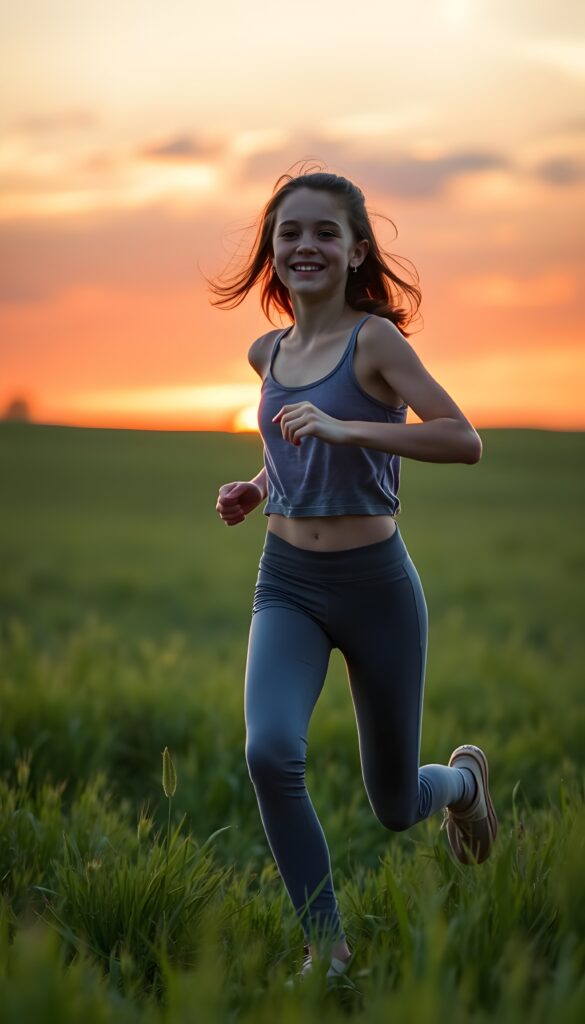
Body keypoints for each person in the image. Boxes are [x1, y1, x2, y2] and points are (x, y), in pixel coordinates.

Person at [210, 165, 498, 983]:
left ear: (355, 250)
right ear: (271, 248)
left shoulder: (374, 340)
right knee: (269, 751)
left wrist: (348, 429)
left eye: (324, 232)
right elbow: (290, 442)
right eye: (289, 231)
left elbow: (461, 438)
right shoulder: (265, 349)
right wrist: (257, 485)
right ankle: (327, 949)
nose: (304, 244)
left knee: (396, 807)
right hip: (286, 582)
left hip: (376, 587)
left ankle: (461, 785)